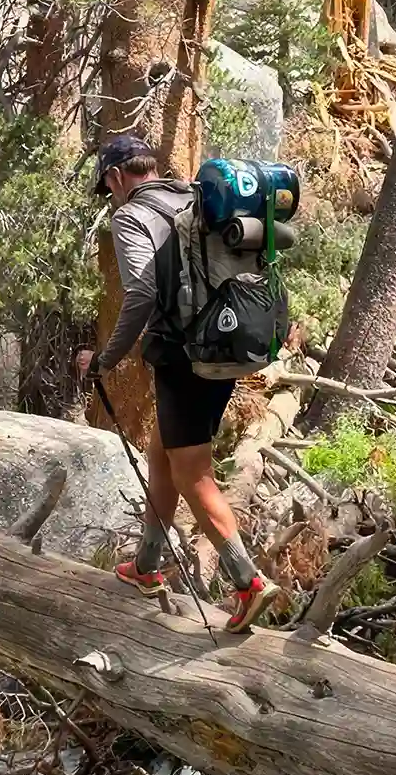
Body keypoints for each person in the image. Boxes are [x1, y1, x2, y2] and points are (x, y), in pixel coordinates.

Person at [76, 134, 283, 633]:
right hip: (227, 347)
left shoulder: (129, 217)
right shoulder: (195, 196)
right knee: (161, 450)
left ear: (114, 177)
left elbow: (143, 291)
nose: (111, 197)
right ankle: (147, 567)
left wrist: (105, 360)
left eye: (108, 188)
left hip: (184, 358)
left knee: (192, 471)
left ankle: (248, 582)